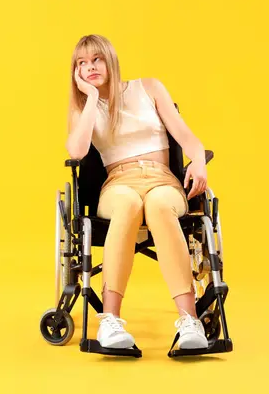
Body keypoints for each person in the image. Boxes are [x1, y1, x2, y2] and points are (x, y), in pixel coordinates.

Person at [65, 34, 209, 351]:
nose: (89, 68)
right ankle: (110, 323)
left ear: (110, 59)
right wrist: (90, 97)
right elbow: (76, 151)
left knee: (158, 205)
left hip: (162, 179)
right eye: (81, 63)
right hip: (118, 183)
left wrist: (198, 162)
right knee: (129, 203)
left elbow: (189, 138)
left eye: (96, 59)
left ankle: (190, 321)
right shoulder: (85, 107)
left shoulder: (149, 88)